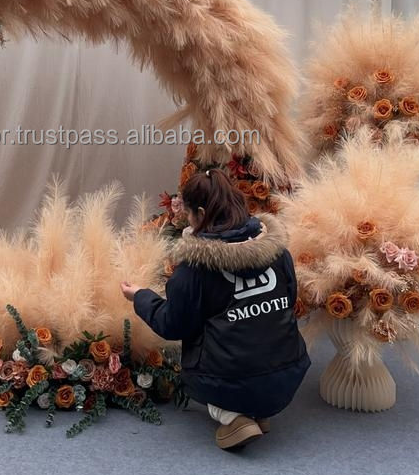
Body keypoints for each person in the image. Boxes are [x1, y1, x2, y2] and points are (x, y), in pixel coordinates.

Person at [121, 168, 310, 450]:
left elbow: (173, 325)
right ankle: (259, 409)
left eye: (188, 214)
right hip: (289, 373)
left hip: (229, 383)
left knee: (195, 340)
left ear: (200, 212)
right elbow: (290, 298)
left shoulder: (195, 269)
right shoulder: (279, 253)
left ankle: (232, 415)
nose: (187, 221)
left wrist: (141, 297)